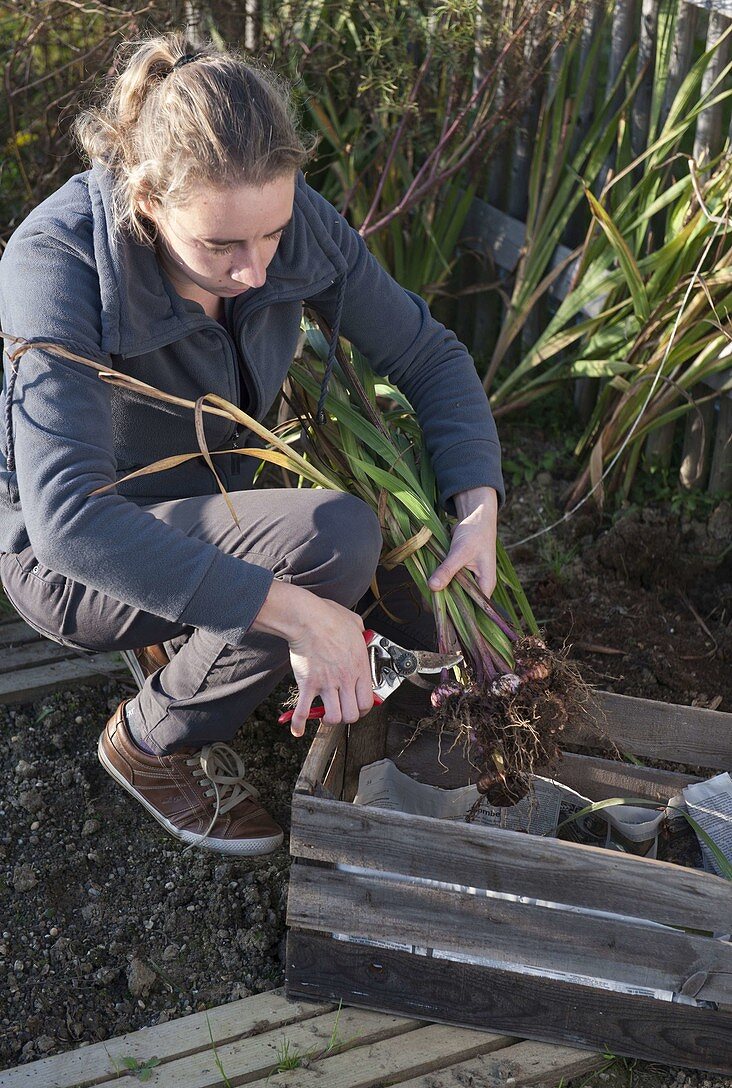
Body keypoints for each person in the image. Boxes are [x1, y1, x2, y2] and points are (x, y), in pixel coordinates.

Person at [0, 32, 504, 856]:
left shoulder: (286, 222)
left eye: (271, 234)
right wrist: (304, 614)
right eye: (222, 246)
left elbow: (428, 355)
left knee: (428, 595)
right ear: (149, 199)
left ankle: (366, 699)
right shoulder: (57, 262)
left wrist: (477, 509)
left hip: (226, 493)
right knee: (330, 545)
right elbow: (68, 520)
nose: (257, 271)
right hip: (72, 553)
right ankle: (152, 741)